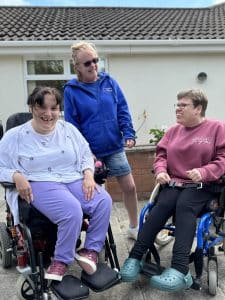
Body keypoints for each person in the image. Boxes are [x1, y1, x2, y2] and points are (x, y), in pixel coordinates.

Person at [0, 86, 112, 282]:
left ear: (59, 109)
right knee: (72, 210)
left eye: (54, 108)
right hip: (40, 181)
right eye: (41, 107)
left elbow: (85, 153)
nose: (48, 114)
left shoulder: (68, 129)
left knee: (103, 201)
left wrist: (88, 174)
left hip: (73, 177)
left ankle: (90, 250)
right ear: (31, 107)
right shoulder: (15, 136)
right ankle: (60, 260)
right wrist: (16, 175)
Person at [120, 89, 225, 292]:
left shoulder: (217, 128)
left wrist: (204, 171)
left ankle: (179, 269)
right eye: (176, 105)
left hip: (203, 186)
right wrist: (160, 171)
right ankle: (135, 257)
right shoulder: (173, 131)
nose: (178, 109)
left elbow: (223, 158)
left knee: (185, 205)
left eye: (183, 105)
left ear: (198, 108)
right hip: (175, 183)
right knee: (160, 207)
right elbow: (161, 156)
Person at [64, 41, 139, 240]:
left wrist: (128, 133)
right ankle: (97, 237)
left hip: (114, 147)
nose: (93, 65)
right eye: (87, 63)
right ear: (77, 67)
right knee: (96, 197)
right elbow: (72, 126)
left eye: (96, 60)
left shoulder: (109, 83)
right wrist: (86, 152)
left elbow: (122, 109)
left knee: (130, 187)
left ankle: (133, 227)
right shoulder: (71, 91)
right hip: (90, 152)